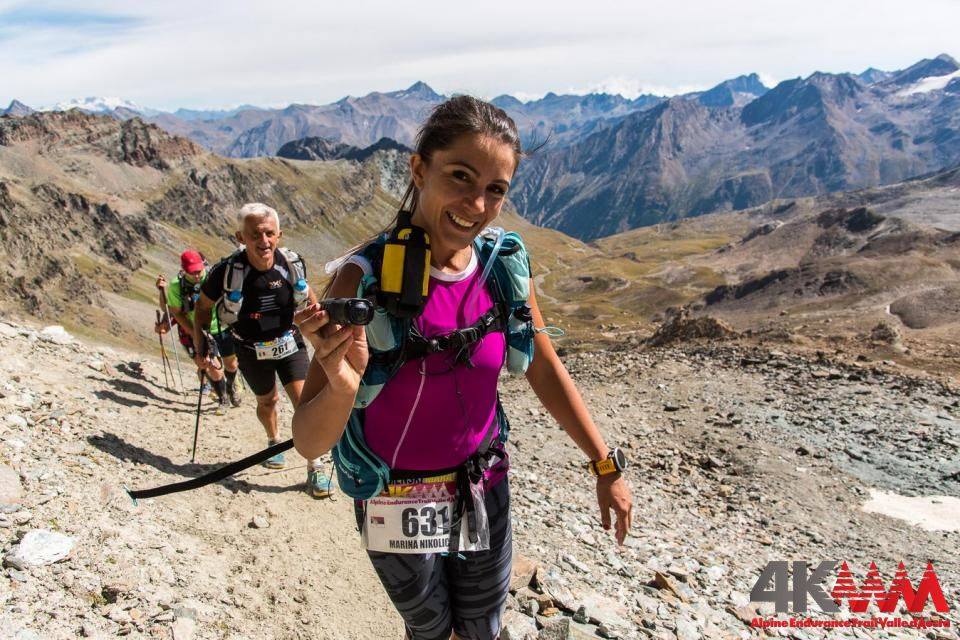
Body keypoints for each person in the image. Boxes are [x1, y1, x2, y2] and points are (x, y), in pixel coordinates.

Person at [291, 96, 633, 639]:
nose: (476, 203)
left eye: (495, 189)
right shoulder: (361, 280)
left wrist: (604, 466)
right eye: (460, 176)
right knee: (429, 630)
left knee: (483, 628)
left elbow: (544, 369)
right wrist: (341, 386)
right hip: (395, 493)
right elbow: (310, 445)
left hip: (483, 482)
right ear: (419, 168)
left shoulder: (503, 269)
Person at [194, 203, 333, 498]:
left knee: (304, 402)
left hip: (288, 340)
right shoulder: (226, 272)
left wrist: (325, 332)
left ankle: (316, 464)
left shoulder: (292, 263)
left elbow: (308, 297)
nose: (264, 241)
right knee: (267, 400)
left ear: (279, 234)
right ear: (240, 237)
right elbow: (203, 308)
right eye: (255, 234)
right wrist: (201, 344)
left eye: (270, 233)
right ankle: (274, 442)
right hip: (248, 347)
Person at [157, 250, 241, 416]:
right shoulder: (176, 286)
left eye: (199, 270)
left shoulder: (214, 276)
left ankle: (231, 385)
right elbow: (177, 312)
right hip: (200, 330)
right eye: (192, 272)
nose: (196, 275)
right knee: (212, 366)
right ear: (184, 269)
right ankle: (223, 398)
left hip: (223, 326)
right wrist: (194, 333)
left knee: (231, 364)